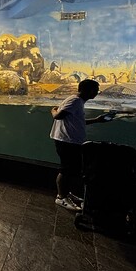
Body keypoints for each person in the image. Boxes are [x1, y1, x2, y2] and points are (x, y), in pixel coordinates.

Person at [50, 79, 112, 211]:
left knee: (71, 169)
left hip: (70, 140)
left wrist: (97, 120)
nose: (97, 93)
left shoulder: (77, 101)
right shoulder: (75, 101)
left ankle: (66, 193)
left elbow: (76, 121)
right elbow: (58, 116)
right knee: (66, 169)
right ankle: (61, 197)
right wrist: (53, 110)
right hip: (66, 140)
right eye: (95, 90)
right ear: (86, 90)